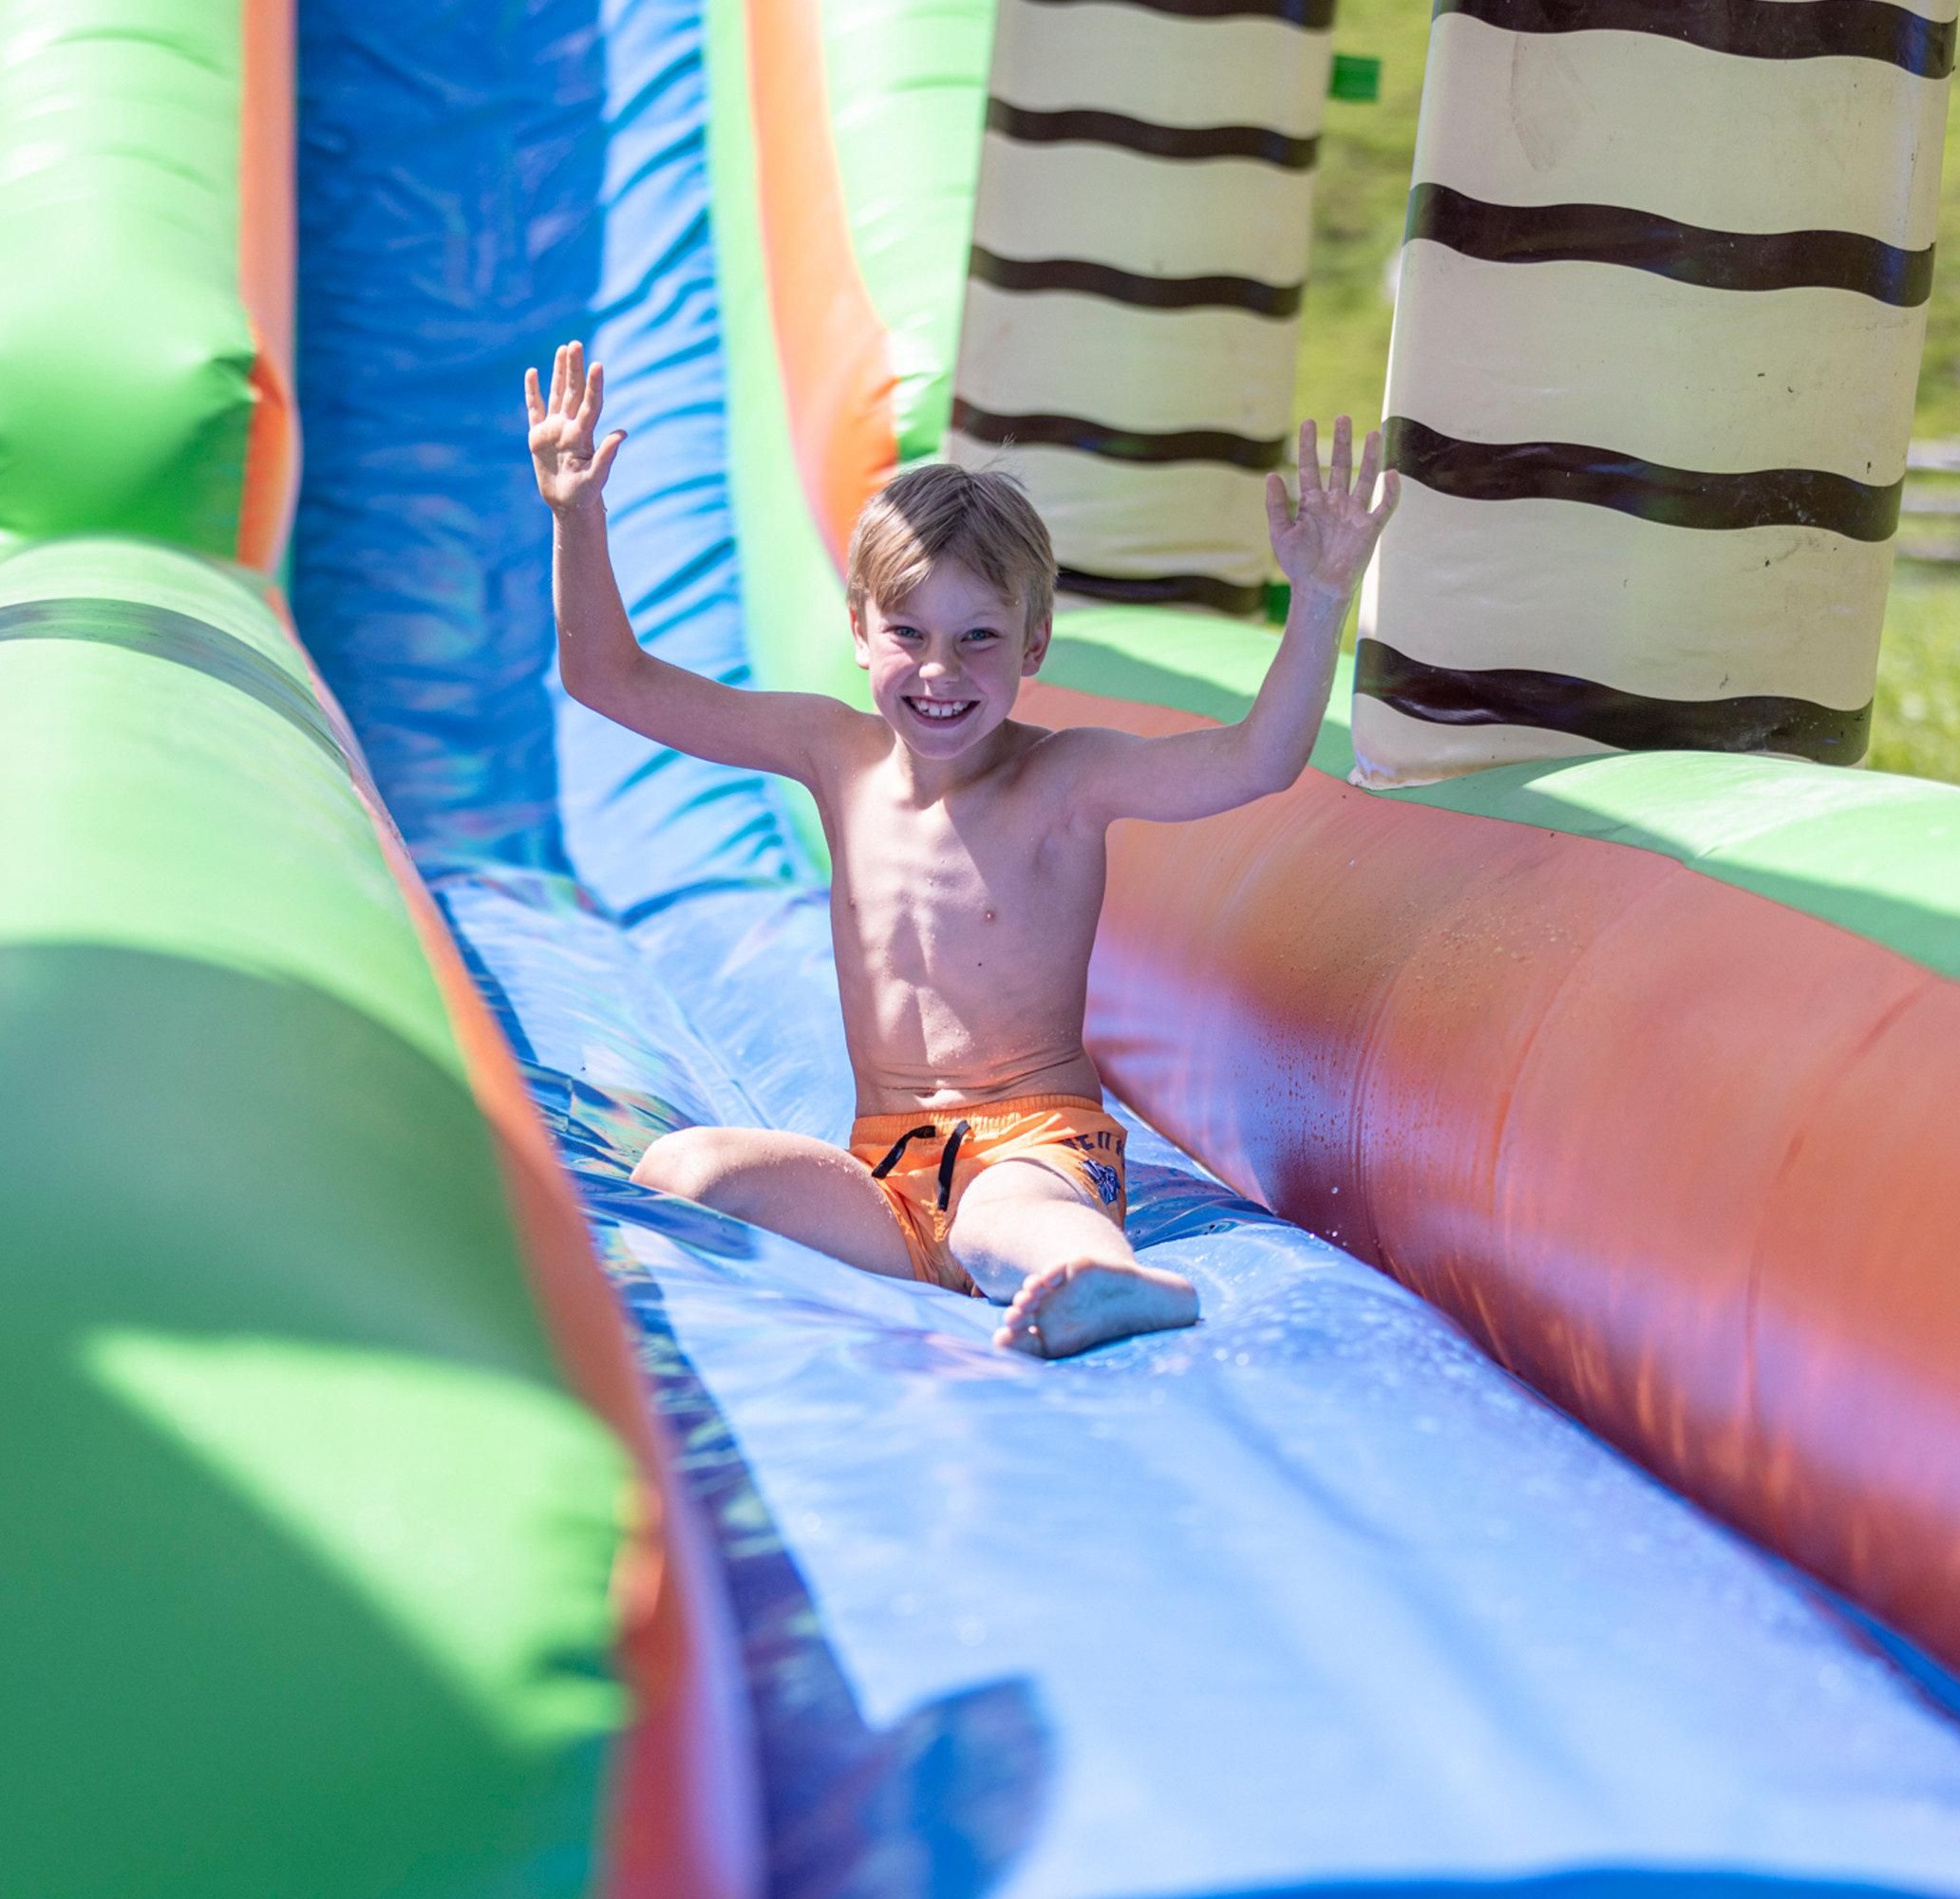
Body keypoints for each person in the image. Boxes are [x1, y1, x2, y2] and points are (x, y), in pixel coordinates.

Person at [526, 342, 1396, 1357]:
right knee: (687, 1168)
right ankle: (1026, 1269)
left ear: (1033, 644)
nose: (941, 669)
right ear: (859, 629)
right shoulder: (830, 751)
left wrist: (1322, 599)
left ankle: (1107, 1274)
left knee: (997, 1217)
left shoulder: (1064, 779)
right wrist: (575, 516)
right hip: (888, 1169)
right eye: (909, 632)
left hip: (1037, 1145)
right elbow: (612, 682)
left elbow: (1256, 761)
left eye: (979, 637)